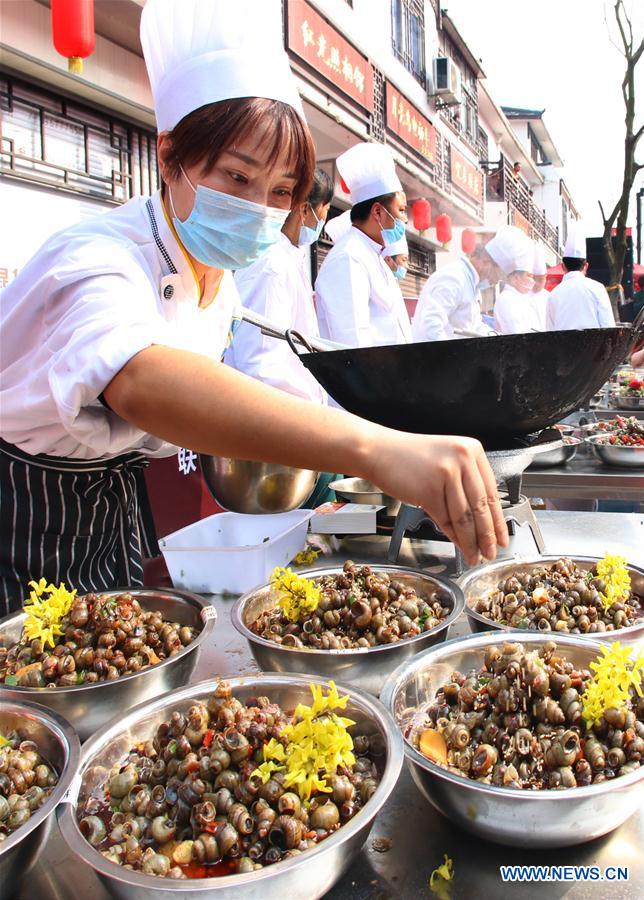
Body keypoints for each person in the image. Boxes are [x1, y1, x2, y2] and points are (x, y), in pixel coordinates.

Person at [0, 0, 507, 611]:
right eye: (238, 179)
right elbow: (137, 377)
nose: (259, 207)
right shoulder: (95, 256)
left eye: (281, 191)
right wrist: (375, 448)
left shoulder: (217, 278)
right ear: (169, 157)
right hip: (20, 519)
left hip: (111, 516)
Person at [223, 166, 333, 403]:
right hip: (277, 415)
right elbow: (261, 368)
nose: (323, 221)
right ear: (305, 209)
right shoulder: (272, 266)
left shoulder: (290, 259)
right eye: (325, 211)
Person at [314, 142, 412, 347]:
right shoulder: (349, 258)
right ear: (377, 212)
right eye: (401, 210)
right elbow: (352, 344)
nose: (405, 220)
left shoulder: (373, 256)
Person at [411, 225, 527, 341]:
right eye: (498, 275)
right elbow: (431, 326)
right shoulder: (454, 278)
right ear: (487, 261)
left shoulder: (473, 285)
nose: (496, 281)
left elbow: (474, 326)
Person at [546, 224, 616, 330]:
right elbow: (609, 327)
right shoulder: (597, 288)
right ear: (586, 266)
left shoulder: (553, 295)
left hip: (563, 346)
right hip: (595, 346)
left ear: (562, 266)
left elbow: (549, 332)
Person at [493, 237, 537, 334]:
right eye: (529, 276)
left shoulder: (522, 298)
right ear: (516, 277)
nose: (532, 280)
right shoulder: (506, 299)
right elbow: (514, 333)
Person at [529, 242, 549, 330]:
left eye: (540, 279)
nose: (537, 283)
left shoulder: (549, 297)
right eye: (535, 279)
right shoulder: (521, 295)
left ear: (545, 277)